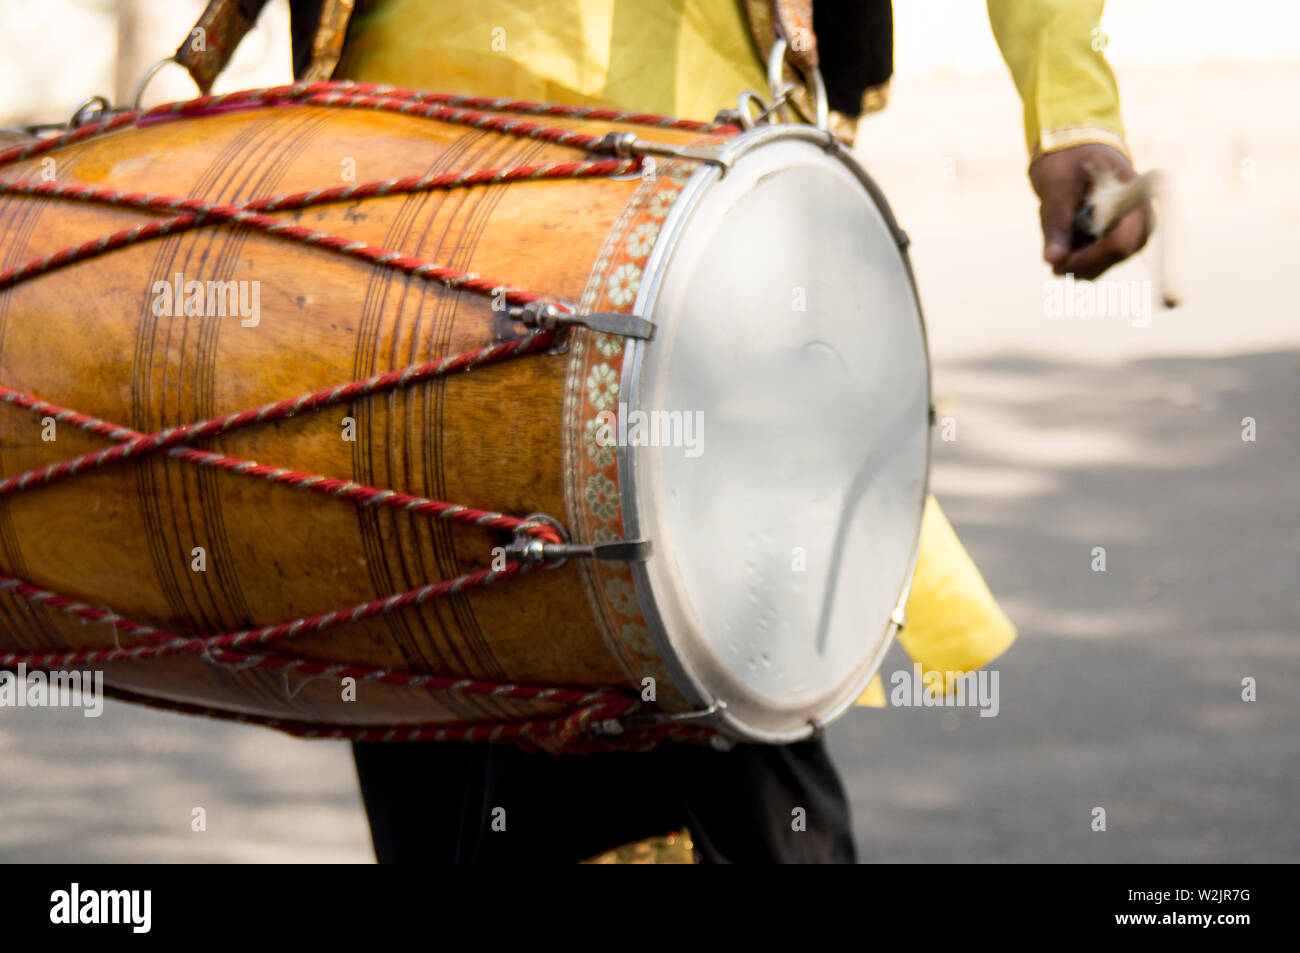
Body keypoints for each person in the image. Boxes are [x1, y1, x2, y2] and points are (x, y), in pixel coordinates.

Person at [277, 0, 1154, 863]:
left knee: (727, 701)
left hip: (689, 172)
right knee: (439, 707)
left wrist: (1068, 101)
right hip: (409, 159)